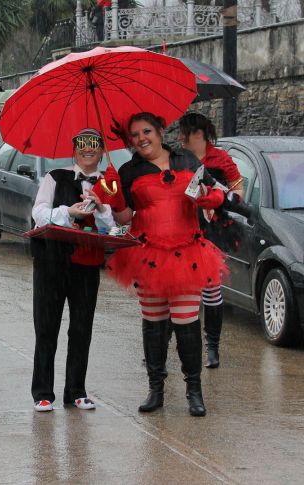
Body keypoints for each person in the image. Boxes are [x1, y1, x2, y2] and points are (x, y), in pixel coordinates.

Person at [103, 112, 227, 417]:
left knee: (186, 325)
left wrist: (209, 198)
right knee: (154, 325)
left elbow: (214, 193)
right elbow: (123, 218)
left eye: (146, 131)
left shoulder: (187, 160)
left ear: (160, 131)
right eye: (134, 135)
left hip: (187, 253)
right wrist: (114, 196)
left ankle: (194, 391)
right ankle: (155, 389)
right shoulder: (128, 171)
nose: (141, 138)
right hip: (148, 255)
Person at [29, 128, 115, 412]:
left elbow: (111, 229)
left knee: (81, 328)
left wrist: (101, 210)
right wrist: (69, 211)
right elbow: (39, 213)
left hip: (86, 265)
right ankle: (43, 392)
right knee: (46, 327)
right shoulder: (55, 176)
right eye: (82, 145)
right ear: (74, 149)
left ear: (102, 150)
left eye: (94, 145)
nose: (88, 150)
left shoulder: (107, 184)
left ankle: (76, 390)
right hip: (51, 262)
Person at [177, 112, 246, 369]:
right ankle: (174, 342)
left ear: (199, 133)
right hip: (183, 226)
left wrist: (229, 198)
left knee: (211, 288)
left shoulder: (221, 158)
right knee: (182, 288)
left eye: (184, 132)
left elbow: (238, 187)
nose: (180, 138)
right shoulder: (178, 158)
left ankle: (212, 348)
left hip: (213, 229)